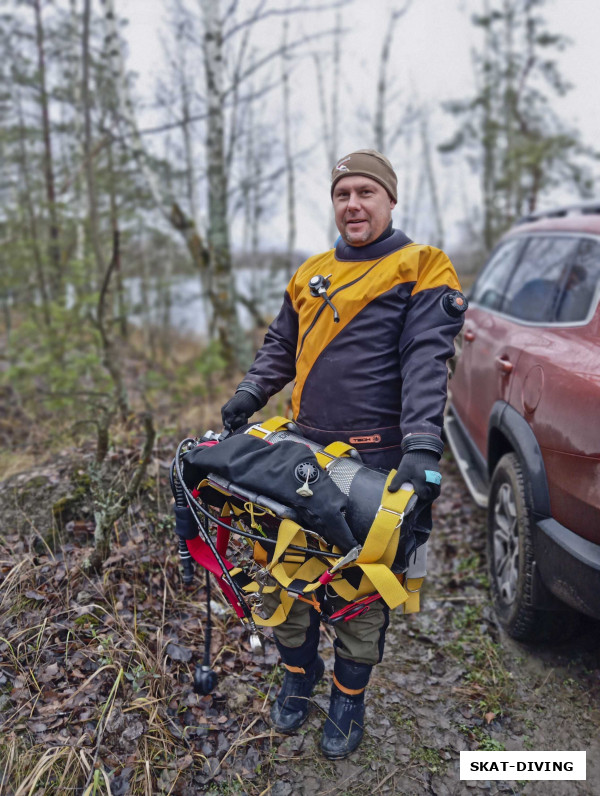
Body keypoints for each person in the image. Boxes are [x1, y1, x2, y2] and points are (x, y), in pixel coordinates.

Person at [221, 149, 467, 758]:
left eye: (365, 192)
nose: (352, 204)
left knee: (358, 591)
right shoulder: (310, 272)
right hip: (298, 452)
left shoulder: (422, 266)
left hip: (374, 462)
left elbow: (426, 361)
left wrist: (420, 446)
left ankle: (348, 697)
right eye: (342, 194)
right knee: (283, 575)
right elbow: (283, 342)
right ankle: (298, 680)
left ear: (390, 199)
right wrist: (250, 393)